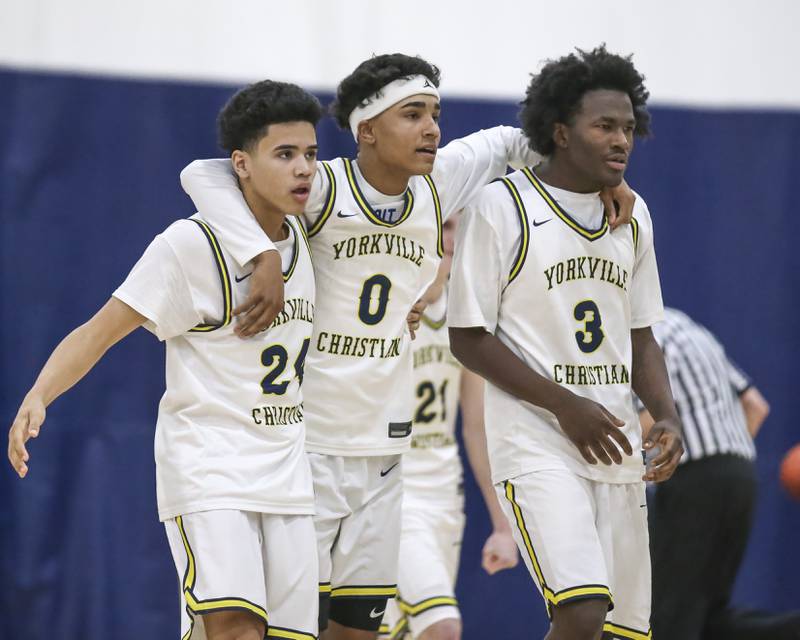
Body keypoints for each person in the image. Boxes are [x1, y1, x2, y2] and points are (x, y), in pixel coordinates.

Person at [179, 53, 634, 640]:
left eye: (436, 114)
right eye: (413, 114)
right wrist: (259, 252)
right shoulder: (322, 188)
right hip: (306, 449)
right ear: (367, 129)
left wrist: (611, 177)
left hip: (389, 456)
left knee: (359, 630)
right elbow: (204, 174)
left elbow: (519, 140)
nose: (432, 129)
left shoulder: (442, 179)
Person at [7, 80, 322, 640]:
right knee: (235, 629)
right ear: (242, 165)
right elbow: (99, 331)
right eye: (285, 154)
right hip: (211, 466)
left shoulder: (308, 233)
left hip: (289, 471)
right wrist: (38, 394)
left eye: (310, 154)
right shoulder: (189, 245)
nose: (303, 169)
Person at [447, 45, 684, 640]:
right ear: (560, 130)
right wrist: (564, 404)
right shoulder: (501, 206)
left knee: (621, 632)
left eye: (628, 128)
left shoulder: (633, 214)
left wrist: (667, 414)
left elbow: (640, 333)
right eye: (604, 126)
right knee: (580, 611)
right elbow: (469, 338)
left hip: (615, 440)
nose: (621, 140)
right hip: (537, 441)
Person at [379, 218, 519, 640]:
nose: (453, 240)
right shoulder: (385, 308)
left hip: (444, 496)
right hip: (391, 494)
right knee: (441, 627)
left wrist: (502, 522)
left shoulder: (465, 317)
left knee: (398, 632)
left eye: (460, 229)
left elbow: (476, 428)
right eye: (444, 226)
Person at [638, 307, 800, 640]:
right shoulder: (688, 328)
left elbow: (648, 424)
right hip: (740, 474)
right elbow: (756, 406)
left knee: (667, 617)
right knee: (708, 618)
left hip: (693, 480)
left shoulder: (635, 336)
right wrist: (722, 463)